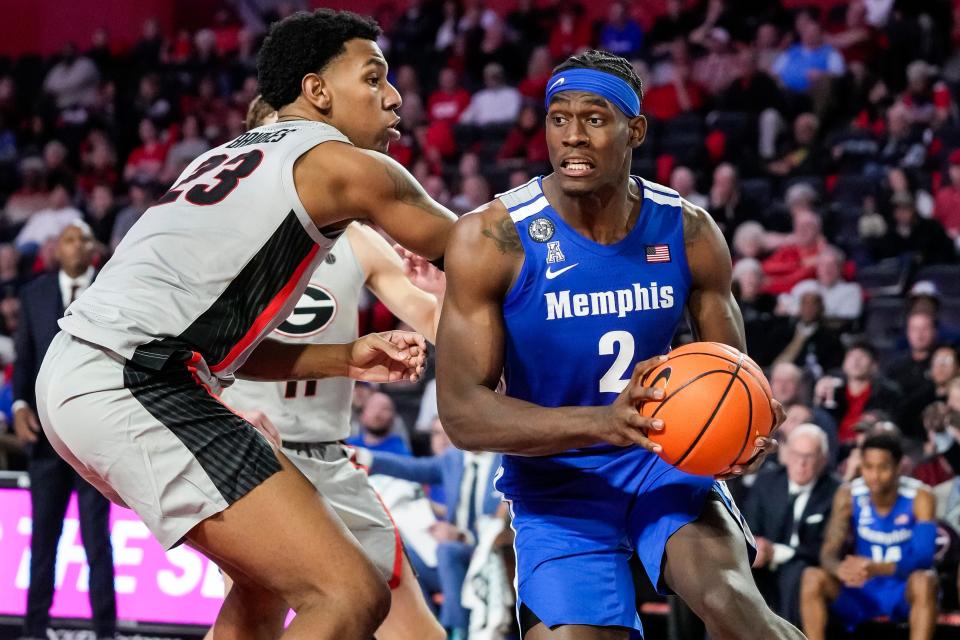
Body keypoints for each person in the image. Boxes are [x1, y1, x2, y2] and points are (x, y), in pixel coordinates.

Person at [34, 10, 459, 640]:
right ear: (317, 92)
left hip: (96, 374)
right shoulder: (340, 163)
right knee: (347, 597)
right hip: (136, 381)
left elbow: (215, 348)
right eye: (374, 79)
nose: (394, 98)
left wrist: (343, 356)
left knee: (264, 590)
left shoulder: (220, 159)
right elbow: (479, 253)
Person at [436, 49, 798, 640]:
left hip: (666, 463)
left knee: (737, 611)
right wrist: (605, 423)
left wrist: (747, 431)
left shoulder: (688, 229)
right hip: (556, 484)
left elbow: (737, 375)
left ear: (635, 129)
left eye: (594, 119)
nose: (572, 137)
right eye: (559, 118)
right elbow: (462, 414)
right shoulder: (490, 237)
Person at [13, 222, 117, 640]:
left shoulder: (112, 288)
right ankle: (33, 630)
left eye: (84, 240)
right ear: (58, 249)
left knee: (97, 542)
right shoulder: (34, 293)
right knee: (43, 539)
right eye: (70, 240)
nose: (77, 247)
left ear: (94, 249)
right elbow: (25, 358)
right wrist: (20, 405)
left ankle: (105, 632)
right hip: (46, 439)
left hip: (93, 436)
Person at [800, 433, 939, 640]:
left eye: (883, 467)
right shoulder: (848, 494)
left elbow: (923, 558)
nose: (874, 475)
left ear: (899, 466)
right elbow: (828, 552)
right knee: (812, 577)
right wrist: (840, 569)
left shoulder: (921, 496)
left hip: (901, 589)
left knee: (925, 580)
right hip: (861, 589)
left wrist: (875, 567)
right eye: (868, 467)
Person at [743, 424, 840, 625]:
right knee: (734, 572)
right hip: (764, 562)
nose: (801, 464)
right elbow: (748, 524)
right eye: (796, 455)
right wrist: (755, 546)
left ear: (823, 459)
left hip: (804, 566)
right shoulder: (768, 481)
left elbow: (826, 549)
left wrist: (776, 553)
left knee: (795, 573)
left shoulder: (836, 492)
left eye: (809, 457)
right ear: (786, 455)